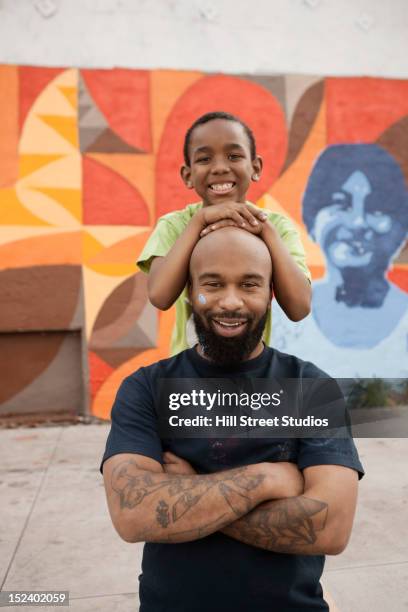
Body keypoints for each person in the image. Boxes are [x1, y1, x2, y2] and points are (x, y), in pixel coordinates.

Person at [101, 227, 364, 612]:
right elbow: (132, 515)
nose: (230, 302)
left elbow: (331, 526)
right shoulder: (146, 387)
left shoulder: (312, 387)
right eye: (213, 284)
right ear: (191, 291)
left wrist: (188, 490)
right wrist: (267, 479)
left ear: (270, 293)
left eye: (249, 285)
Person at [137, 111, 312, 355]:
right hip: (188, 379)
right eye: (205, 159)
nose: (219, 168)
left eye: (233, 156)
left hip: (253, 378)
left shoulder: (277, 228)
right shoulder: (175, 226)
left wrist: (268, 234)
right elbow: (160, 296)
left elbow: (299, 308)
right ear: (188, 176)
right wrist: (199, 222)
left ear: (255, 167)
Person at [272, 144, 408, 377]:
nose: (357, 223)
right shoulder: (277, 321)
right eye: (341, 204)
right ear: (312, 219)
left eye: (376, 209)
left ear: (401, 229)